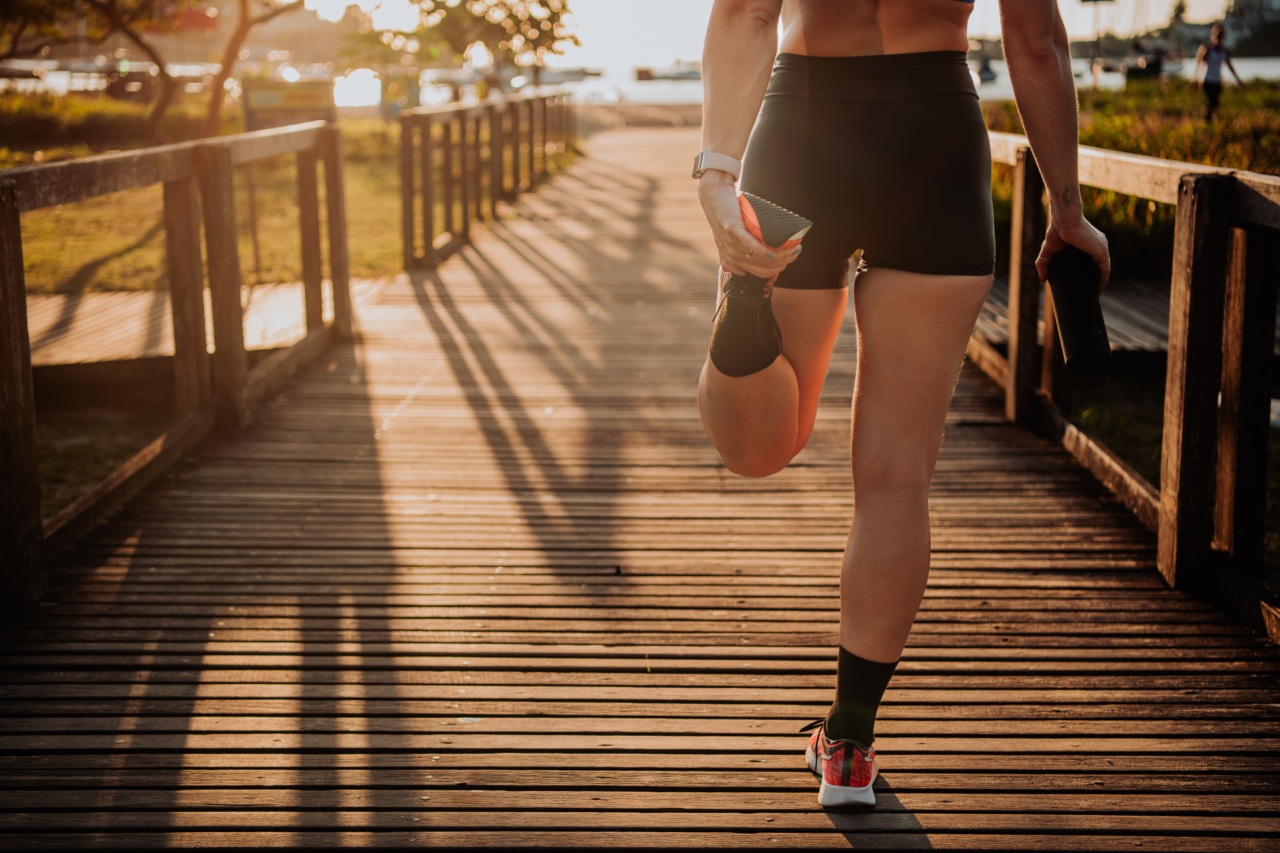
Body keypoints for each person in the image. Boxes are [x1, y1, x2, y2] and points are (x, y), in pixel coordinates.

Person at [694, 0, 1110, 808]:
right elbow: (1036, 39)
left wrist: (717, 174)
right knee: (895, 475)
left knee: (757, 448)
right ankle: (849, 744)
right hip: (936, 141)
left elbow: (746, 10)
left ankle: (748, 300)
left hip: (804, 129)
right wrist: (1068, 210)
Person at [1195, 23, 1245, 122]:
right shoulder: (1209, 50)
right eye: (1217, 36)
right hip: (1207, 81)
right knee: (1213, 101)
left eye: (1221, 36)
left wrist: (1238, 80)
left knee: (1214, 103)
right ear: (1214, 36)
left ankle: (1207, 119)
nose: (1219, 39)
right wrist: (1195, 80)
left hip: (1217, 82)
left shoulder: (1225, 51)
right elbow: (1200, 64)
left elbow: (1230, 66)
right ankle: (1206, 119)